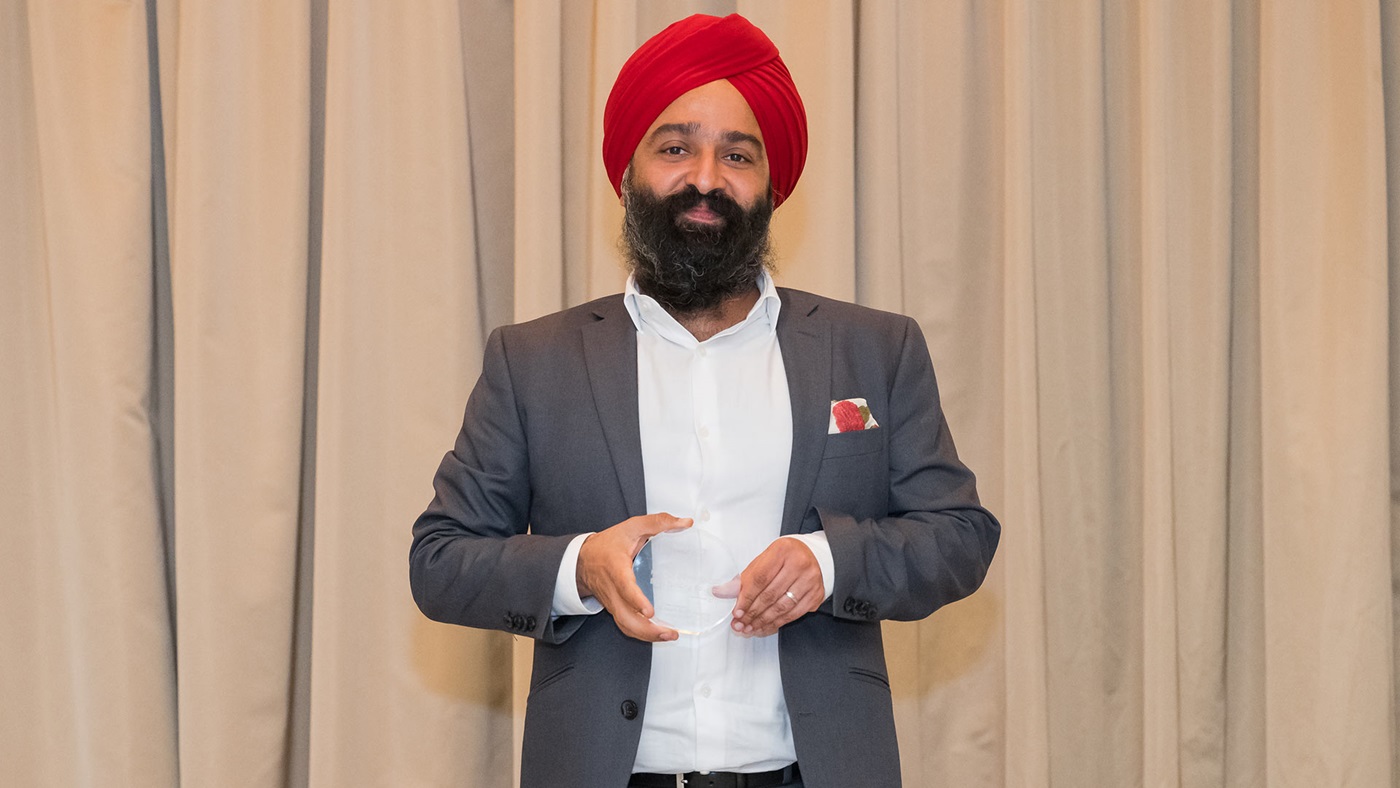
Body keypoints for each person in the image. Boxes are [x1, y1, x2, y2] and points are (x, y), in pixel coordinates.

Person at [410, 13, 999, 788]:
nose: (706, 179)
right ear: (628, 173)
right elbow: (441, 561)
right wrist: (579, 567)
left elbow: (959, 536)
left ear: (773, 186)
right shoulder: (534, 362)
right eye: (675, 148)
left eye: (738, 155)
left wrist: (828, 562)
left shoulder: (874, 350)